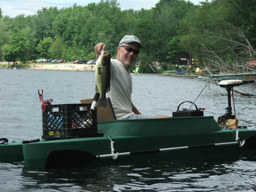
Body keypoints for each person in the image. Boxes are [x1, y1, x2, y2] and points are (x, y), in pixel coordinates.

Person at [94, 35, 168, 120]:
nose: (132, 53)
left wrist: (139, 114)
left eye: (136, 51)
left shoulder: (127, 72)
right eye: (128, 49)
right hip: (122, 119)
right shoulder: (113, 64)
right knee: (164, 118)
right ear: (119, 49)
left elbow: (127, 102)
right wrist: (99, 50)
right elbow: (103, 65)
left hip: (129, 117)